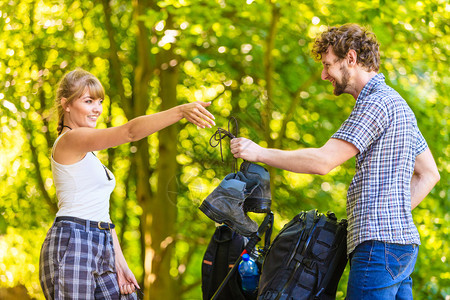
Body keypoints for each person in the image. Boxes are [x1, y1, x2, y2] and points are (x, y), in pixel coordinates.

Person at [230, 23, 440, 299]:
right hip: (400, 248)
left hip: (378, 248)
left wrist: (258, 153)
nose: (323, 74)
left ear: (350, 59)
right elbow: (430, 174)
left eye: (328, 65)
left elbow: (322, 161)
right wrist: (392, 212)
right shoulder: (398, 104)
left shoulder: (376, 103)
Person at [39, 68, 216, 299]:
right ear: (66, 104)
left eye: (100, 101)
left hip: (101, 241)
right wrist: (181, 111)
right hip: (73, 240)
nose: (97, 109)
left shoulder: (88, 155)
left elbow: (102, 214)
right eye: (88, 101)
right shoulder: (70, 140)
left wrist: (119, 262)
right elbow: (130, 132)